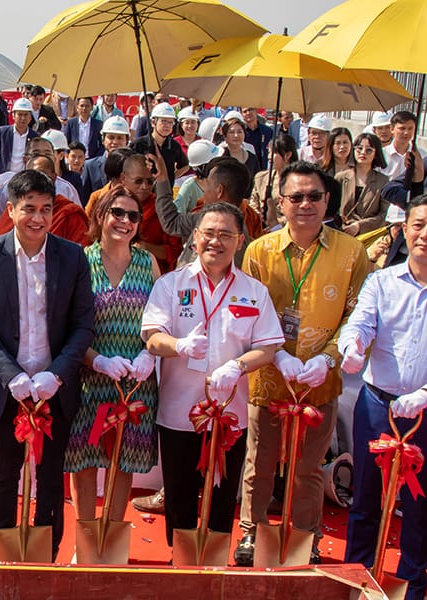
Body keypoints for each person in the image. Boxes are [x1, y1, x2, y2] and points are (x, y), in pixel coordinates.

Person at [235, 161, 371, 566]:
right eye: (296, 197)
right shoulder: (260, 251)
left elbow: (357, 314)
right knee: (259, 461)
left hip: (319, 381)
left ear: (328, 200)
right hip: (269, 378)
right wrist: (275, 353)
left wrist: (329, 359)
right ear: (281, 203)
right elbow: (246, 311)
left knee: (309, 467)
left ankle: (304, 535)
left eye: (314, 196)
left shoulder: (352, 252)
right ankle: (251, 533)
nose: (306, 204)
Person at [0, 168, 94, 561]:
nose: (37, 218)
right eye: (28, 209)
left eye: (45, 208)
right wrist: (12, 376)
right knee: (5, 475)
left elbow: (82, 325)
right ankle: (3, 553)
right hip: (7, 388)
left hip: (55, 388)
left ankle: (45, 555)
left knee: (51, 478)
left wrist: (57, 375)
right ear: (10, 209)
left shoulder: (71, 256)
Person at [141, 201, 283, 554]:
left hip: (230, 416)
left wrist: (237, 366)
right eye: (208, 233)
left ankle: (215, 571)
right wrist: (180, 345)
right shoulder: (171, 285)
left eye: (225, 235)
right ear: (194, 237)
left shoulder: (254, 291)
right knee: (179, 499)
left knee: (222, 501)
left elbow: (267, 347)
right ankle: (183, 567)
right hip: (178, 413)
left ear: (239, 241)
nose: (215, 242)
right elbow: (152, 337)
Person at [339, 192, 427, 600]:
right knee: (366, 496)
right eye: (419, 225)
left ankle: (410, 585)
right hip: (377, 404)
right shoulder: (381, 281)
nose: (426, 235)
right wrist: (352, 347)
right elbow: (360, 324)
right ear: (404, 229)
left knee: (420, 504)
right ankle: (357, 576)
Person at [65, 185, 160, 540]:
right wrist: (96, 359)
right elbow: (68, 324)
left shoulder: (146, 262)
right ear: (100, 215)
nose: (124, 221)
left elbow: (158, 318)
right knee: (84, 460)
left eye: (133, 216)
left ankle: (113, 537)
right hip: (91, 375)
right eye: (117, 213)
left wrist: (148, 352)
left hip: (135, 381)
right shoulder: (79, 260)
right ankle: (86, 538)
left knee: (124, 461)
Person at [154, 152, 260, 267]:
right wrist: (162, 177)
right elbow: (172, 222)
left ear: (219, 191)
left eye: (208, 184)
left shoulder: (237, 234)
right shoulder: (203, 216)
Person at [0, 155, 90, 246]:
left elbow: (78, 255)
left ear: (53, 177)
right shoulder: (15, 209)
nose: (37, 219)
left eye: (45, 210)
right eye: (31, 177)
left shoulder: (69, 214)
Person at [120, 154, 181, 273]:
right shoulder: (110, 206)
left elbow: (174, 250)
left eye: (149, 181)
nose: (144, 187)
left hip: (152, 276)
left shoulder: (162, 209)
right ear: (123, 178)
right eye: (138, 181)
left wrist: (146, 247)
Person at [336, 133, 389, 237]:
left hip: (369, 236)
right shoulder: (341, 177)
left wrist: (360, 226)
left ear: (376, 153)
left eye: (369, 150)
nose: (363, 152)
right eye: (359, 148)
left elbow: (384, 214)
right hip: (341, 233)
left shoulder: (383, 180)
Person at [132, 103, 191, 182]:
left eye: (170, 122)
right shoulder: (138, 144)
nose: (167, 125)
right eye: (163, 121)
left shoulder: (174, 145)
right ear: (153, 122)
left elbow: (185, 166)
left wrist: (171, 177)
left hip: (166, 192)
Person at [249, 134, 298, 229]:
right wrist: (259, 218)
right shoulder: (261, 178)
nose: (269, 157)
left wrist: (277, 222)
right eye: (268, 152)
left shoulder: (298, 181)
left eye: (274, 153)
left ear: (288, 155)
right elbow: (253, 202)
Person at [0, 98, 39, 178]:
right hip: (4, 178)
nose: (23, 118)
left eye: (26, 115)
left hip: (25, 179)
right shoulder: (2, 132)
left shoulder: (34, 136)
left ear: (30, 117)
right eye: (20, 114)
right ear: (13, 115)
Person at [82, 116, 130, 199]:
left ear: (127, 140)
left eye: (119, 138)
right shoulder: (90, 166)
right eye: (111, 137)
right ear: (103, 140)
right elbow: (84, 199)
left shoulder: (133, 166)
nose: (115, 142)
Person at [174, 139, 222, 215]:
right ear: (203, 167)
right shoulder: (190, 186)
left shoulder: (222, 182)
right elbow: (178, 213)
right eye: (215, 162)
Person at [381, 111, 422, 181]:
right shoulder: (382, 154)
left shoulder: (420, 155)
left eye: (410, 128)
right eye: (402, 128)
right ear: (392, 129)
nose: (406, 133)